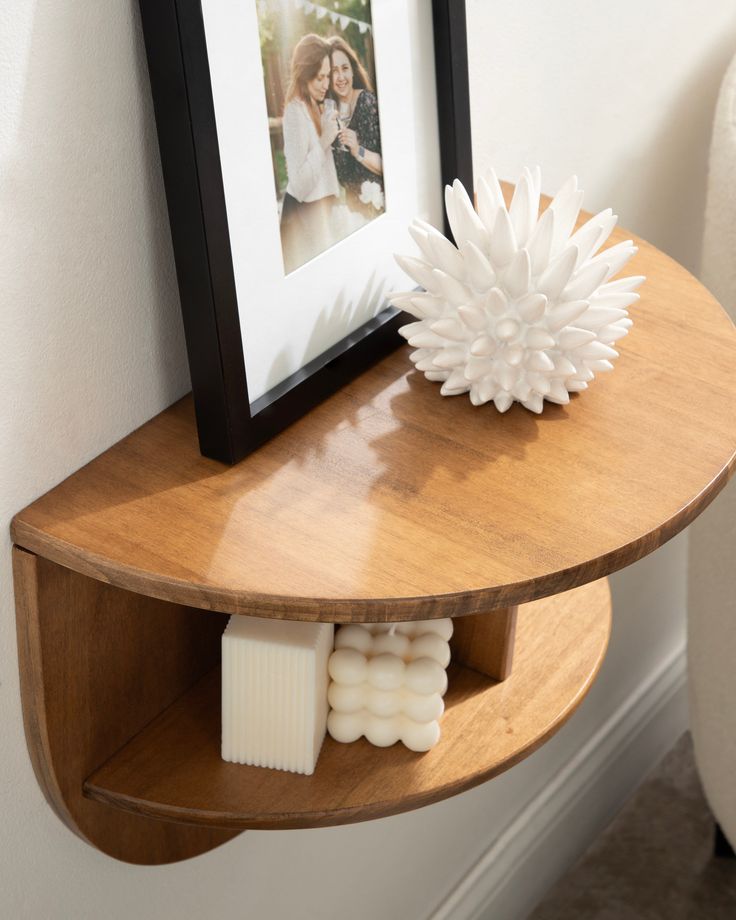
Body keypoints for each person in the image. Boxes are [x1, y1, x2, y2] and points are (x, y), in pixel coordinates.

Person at [280, 34, 341, 272]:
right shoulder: (295, 113)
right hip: (302, 218)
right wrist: (325, 139)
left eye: (328, 76)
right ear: (305, 74)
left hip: (320, 213)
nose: (326, 84)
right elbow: (301, 184)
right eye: (320, 77)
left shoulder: (316, 103)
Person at [327, 36, 384, 221]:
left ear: (353, 71)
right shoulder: (329, 114)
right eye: (334, 71)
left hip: (377, 209)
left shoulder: (367, 102)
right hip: (353, 215)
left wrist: (357, 149)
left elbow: (386, 167)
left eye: (345, 68)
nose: (341, 77)